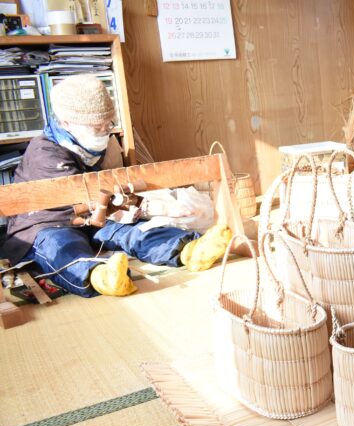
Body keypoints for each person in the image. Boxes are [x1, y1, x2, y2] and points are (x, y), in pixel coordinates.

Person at [2, 75, 231, 298]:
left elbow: (105, 199)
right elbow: (86, 197)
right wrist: (157, 207)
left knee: (131, 231)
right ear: (66, 123)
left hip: (91, 215)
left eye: (107, 124)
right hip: (44, 224)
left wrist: (141, 209)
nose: (103, 132)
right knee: (60, 245)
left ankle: (188, 250)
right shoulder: (44, 152)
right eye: (96, 127)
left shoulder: (90, 143)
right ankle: (98, 276)